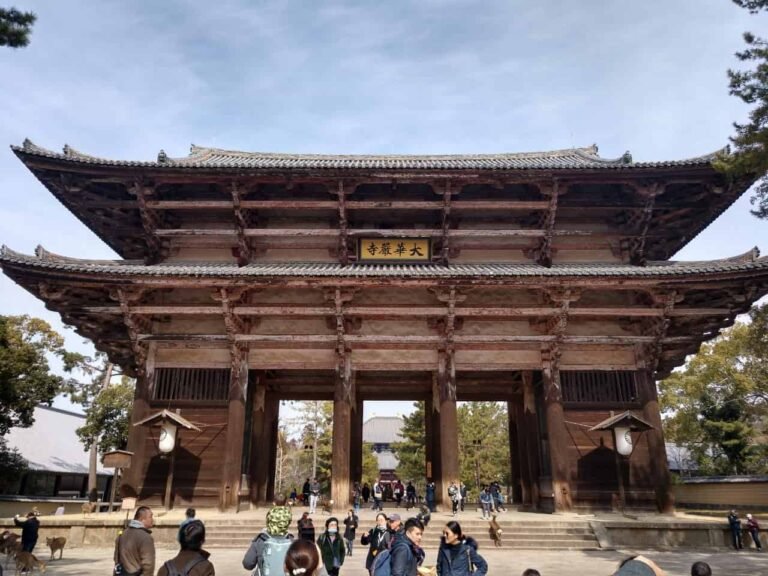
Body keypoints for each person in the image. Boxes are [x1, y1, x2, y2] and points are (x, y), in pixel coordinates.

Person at [242, 504, 293, 574]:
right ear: (287, 522)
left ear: (269, 520)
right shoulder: (293, 542)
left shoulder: (261, 540)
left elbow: (248, 564)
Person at [113, 506, 155, 576]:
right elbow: (148, 564)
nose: (152, 520)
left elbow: (116, 559)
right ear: (142, 519)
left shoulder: (122, 534)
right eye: (150, 517)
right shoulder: (146, 537)